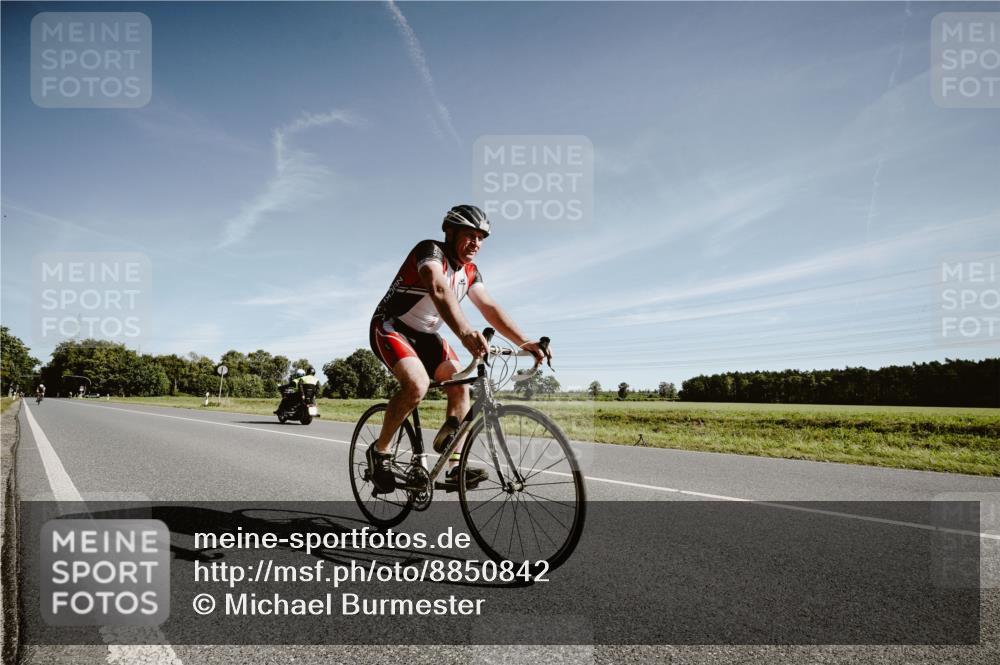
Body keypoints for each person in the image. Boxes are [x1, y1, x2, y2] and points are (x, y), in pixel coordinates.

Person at [367, 204, 552, 493]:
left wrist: (524, 342)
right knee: (417, 385)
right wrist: (465, 332)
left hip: (427, 336)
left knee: (461, 385)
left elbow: (489, 307)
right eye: (470, 235)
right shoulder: (430, 252)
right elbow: (439, 289)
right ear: (450, 233)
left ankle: (454, 466)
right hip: (392, 327)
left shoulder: (471, 271)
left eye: (481, 238)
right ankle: (380, 452)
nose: (476, 243)